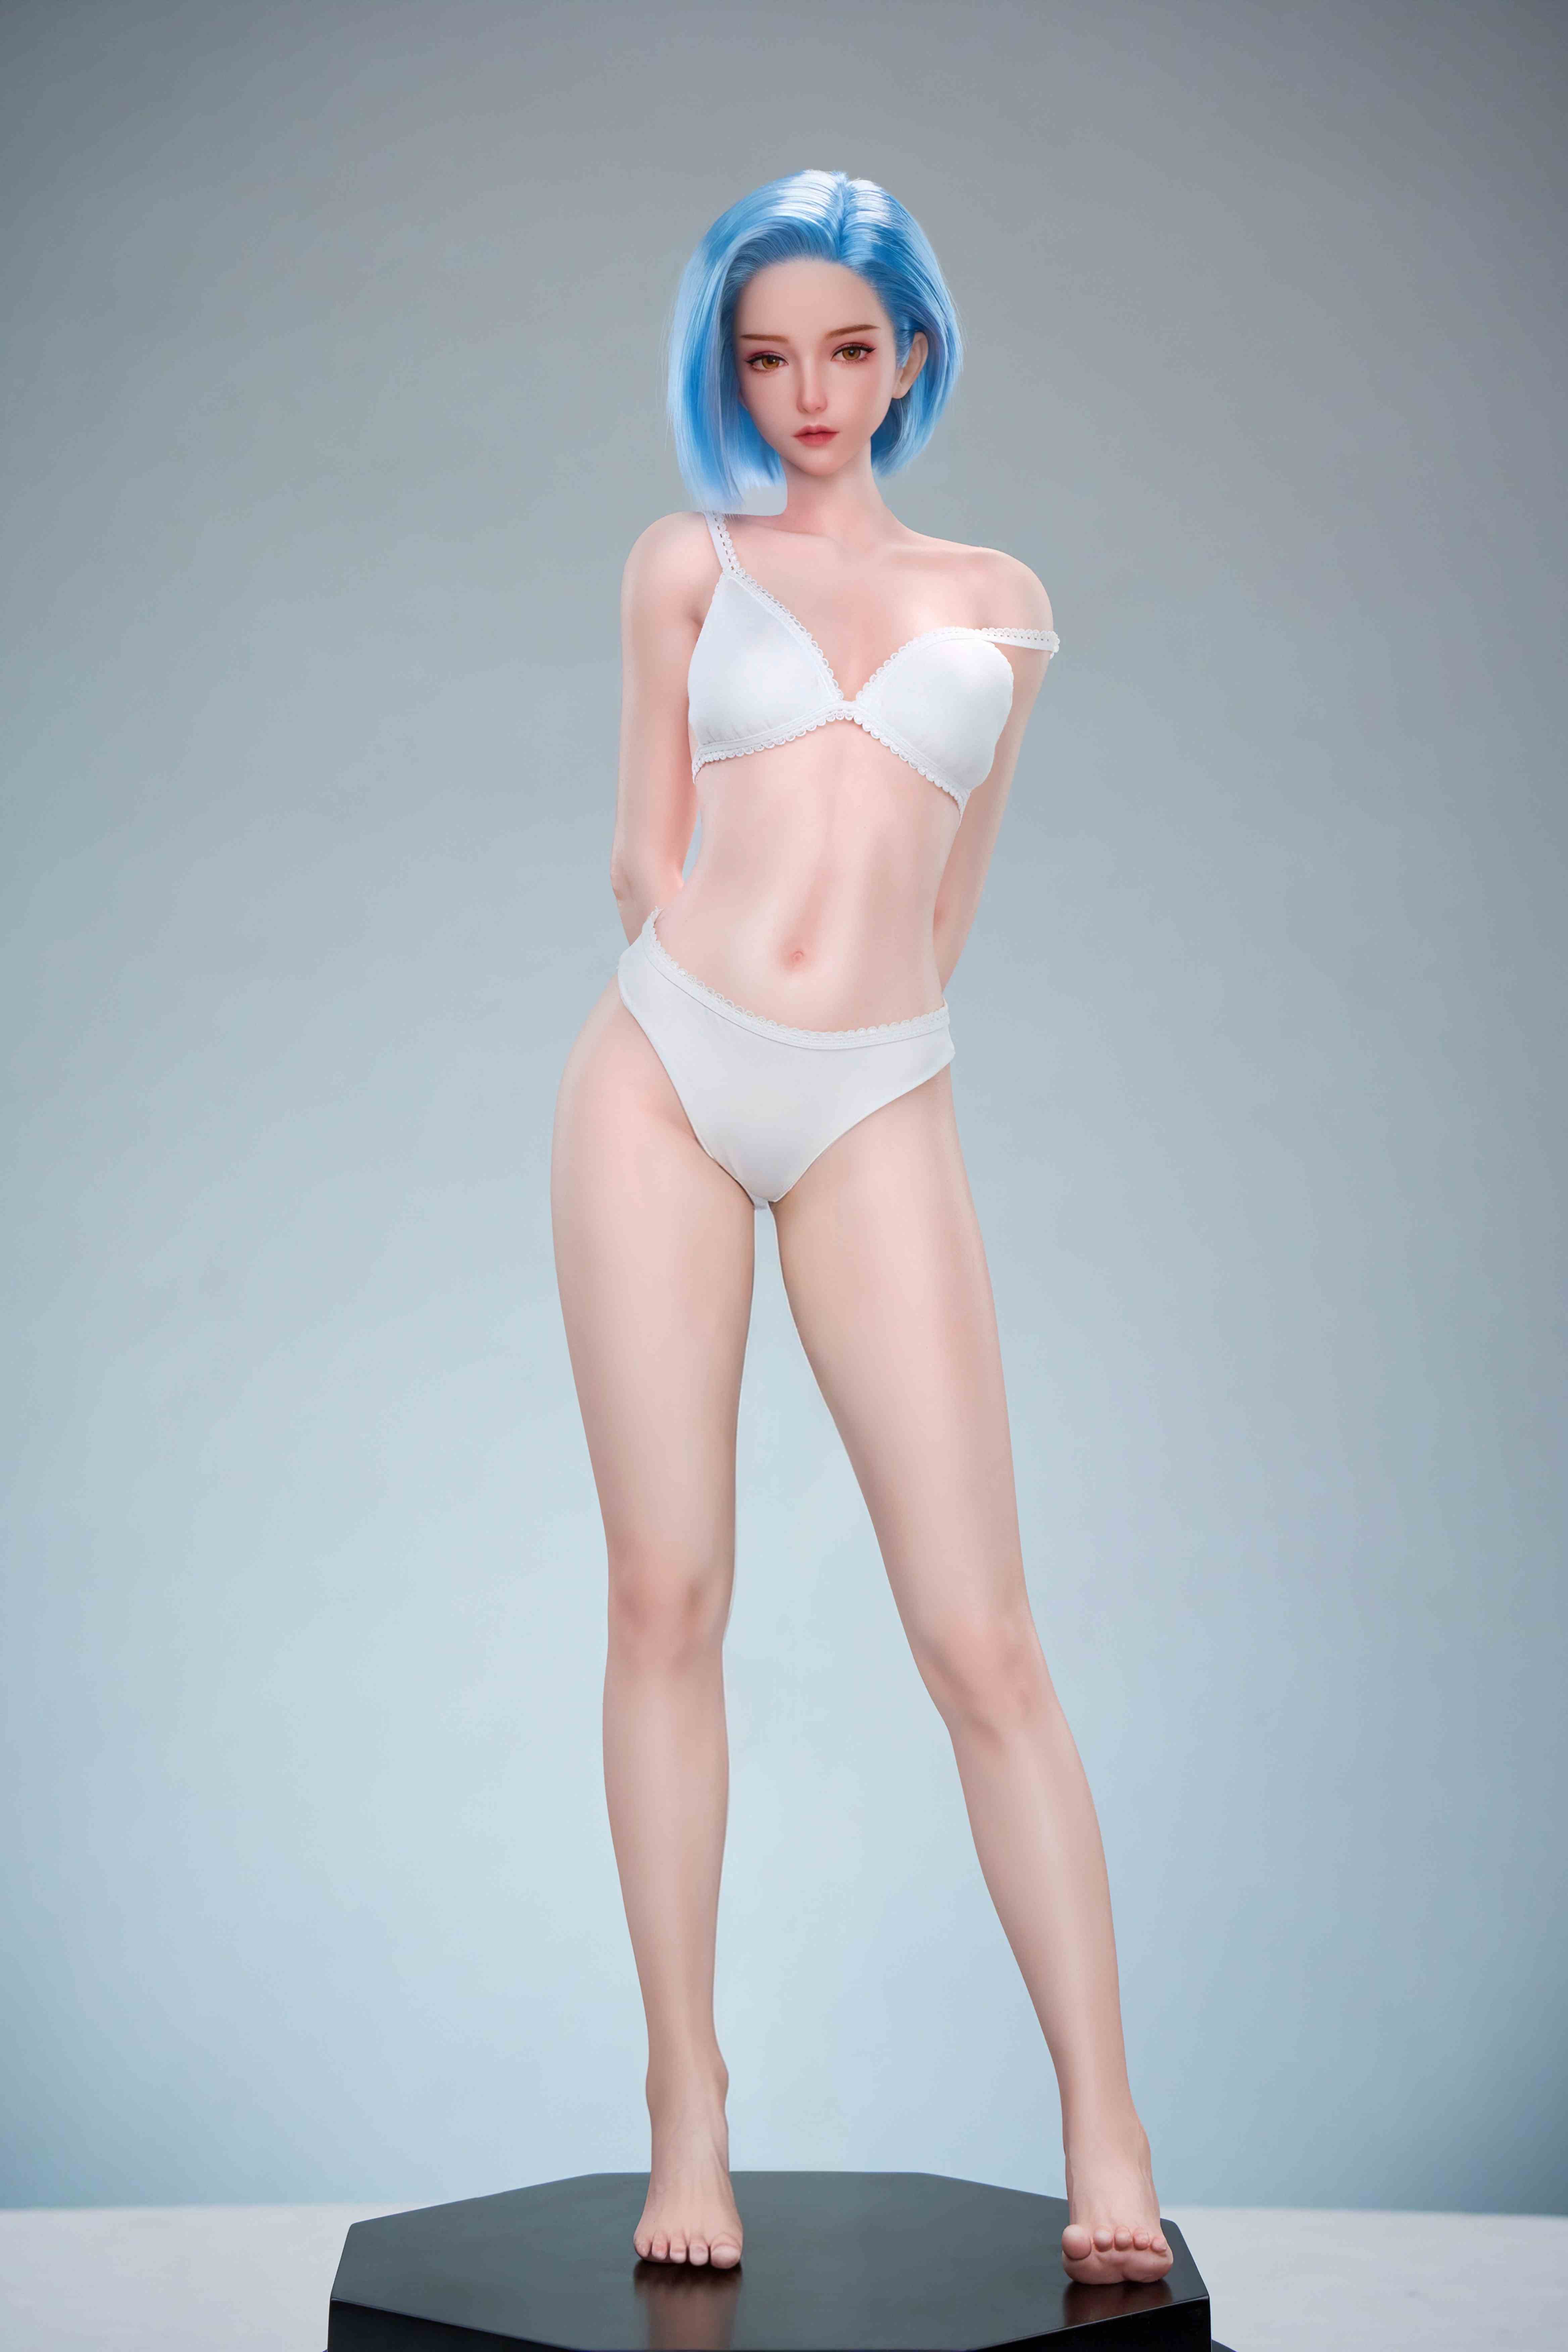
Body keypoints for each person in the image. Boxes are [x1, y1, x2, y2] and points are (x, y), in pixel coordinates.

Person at [550, 168, 1171, 2287]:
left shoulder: (1001, 604)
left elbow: (951, 894)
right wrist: (718, 1012)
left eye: (845, 349)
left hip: (877, 1092)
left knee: (982, 1640)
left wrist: (853, 1049)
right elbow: (639, 850)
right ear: (728, 370)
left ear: (911, 353)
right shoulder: (683, 564)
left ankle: (1108, 2121)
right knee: (667, 1595)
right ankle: (687, 2102)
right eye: (764, 358)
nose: (806, 394)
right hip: (661, 1071)